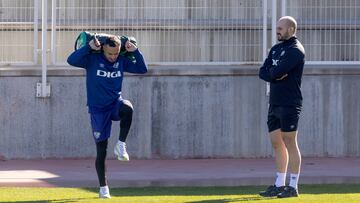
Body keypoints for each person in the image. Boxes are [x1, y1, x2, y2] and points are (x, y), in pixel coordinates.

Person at [67, 34, 148, 198]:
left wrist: (136, 51)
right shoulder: (92, 60)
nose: (113, 57)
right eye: (110, 53)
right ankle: (103, 188)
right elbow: (71, 60)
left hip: (114, 104)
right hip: (98, 110)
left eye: (116, 53)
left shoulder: (121, 61)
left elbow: (142, 69)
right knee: (101, 151)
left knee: (128, 108)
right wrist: (89, 47)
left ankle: (121, 144)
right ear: (103, 49)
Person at [258, 16, 305, 198]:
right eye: (277, 27)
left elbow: (276, 71)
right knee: (276, 143)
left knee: (289, 141)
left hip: (290, 103)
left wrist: (274, 74)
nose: (277, 30)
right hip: (274, 102)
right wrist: (274, 75)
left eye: (280, 28)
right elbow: (263, 72)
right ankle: (279, 184)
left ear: (291, 30)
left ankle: (293, 187)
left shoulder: (296, 50)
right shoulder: (276, 49)